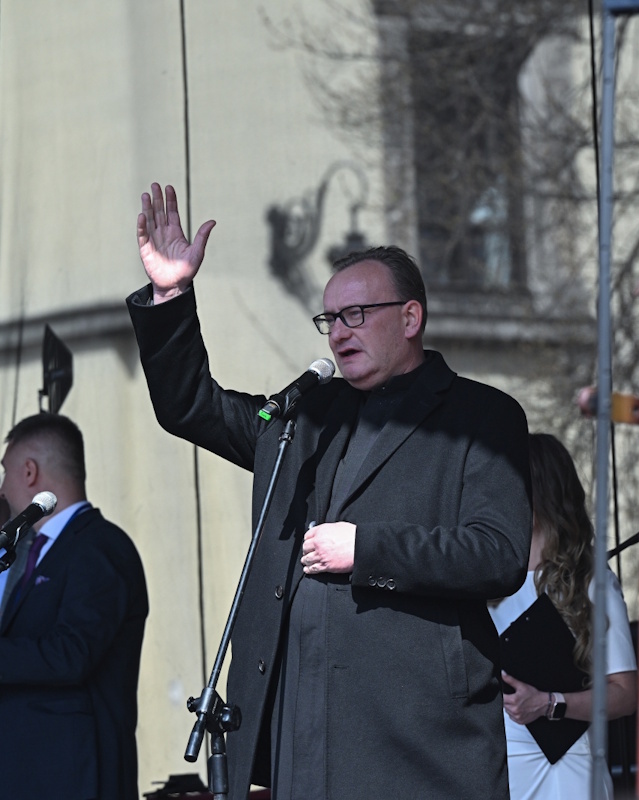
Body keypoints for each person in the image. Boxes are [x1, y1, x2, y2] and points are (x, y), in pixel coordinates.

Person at [128, 183, 532, 799]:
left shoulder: (480, 414)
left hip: (416, 738)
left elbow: (498, 555)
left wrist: (368, 549)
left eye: (356, 315)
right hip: (302, 726)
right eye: (330, 320)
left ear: (410, 317)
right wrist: (170, 295)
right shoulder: (303, 418)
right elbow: (193, 407)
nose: (339, 332)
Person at [0, 413, 149, 800]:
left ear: (29, 472)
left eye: (6, 472)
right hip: (34, 772)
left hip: (77, 774)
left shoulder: (99, 546)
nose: (3, 488)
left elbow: (72, 653)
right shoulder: (39, 552)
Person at [488, 433, 638, 800]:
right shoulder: (484, 575)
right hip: (495, 766)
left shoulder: (590, 580)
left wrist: (549, 702)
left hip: (566, 768)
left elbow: (625, 693)